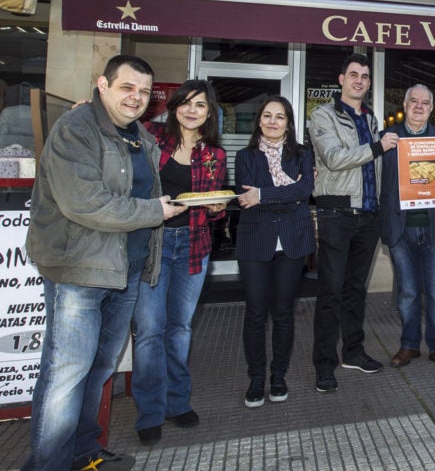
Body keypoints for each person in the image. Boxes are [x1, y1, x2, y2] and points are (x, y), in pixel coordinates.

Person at [24, 55, 184, 471]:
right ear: (103, 85)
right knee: (66, 374)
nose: (136, 97)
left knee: (98, 370)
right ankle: (49, 465)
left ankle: (82, 453)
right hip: (78, 271)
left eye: (144, 92)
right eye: (127, 87)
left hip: (124, 272)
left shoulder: (141, 138)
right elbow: (85, 203)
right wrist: (155, 212)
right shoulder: (75, 129)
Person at [133, 80, 228, 445]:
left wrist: (218, 208)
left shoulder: (214, 155)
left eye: (200, 105)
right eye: (186, 103)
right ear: (173, 107)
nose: (192, 110)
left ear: (209, 112)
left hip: (193, 244)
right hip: (153, 244)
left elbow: (213, 206)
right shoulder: (151, 136)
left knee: (180, 329)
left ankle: (177, 402)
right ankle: (150, 411)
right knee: (150, 331)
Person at [309, 53, 398, 393]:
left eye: (364, 76)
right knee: (330, 292)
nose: (359, 80)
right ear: (341, 79)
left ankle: (353, 352)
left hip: (368, 215)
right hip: (337, 213)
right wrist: (378, 146)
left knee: (356, 291)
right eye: (353, 74)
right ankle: (324, 363)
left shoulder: (371, 118)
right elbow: (333, 158)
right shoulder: (323, 115)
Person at [235, 96, 316, 408]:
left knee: (283, 312)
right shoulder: (245, 157)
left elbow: (304, 190)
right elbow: (246, 196)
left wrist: (264, 194)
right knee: (256, 312)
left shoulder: (302, 153)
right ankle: (256, 377)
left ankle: (278, 375)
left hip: (292, 242)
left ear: (288, 123)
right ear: (259, 120)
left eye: (279, 117)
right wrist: (286, 194)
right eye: (267, 116)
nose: (272, 121)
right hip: (256, 240)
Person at [379, 85, 435, 369]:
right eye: (413, 101)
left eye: (425, 102)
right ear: (405, 105)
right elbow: (377, 181)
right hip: (401, 228)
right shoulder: (388, 139)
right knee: (407, 292)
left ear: (432, 109)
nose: (419, 106)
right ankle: (409, 345)